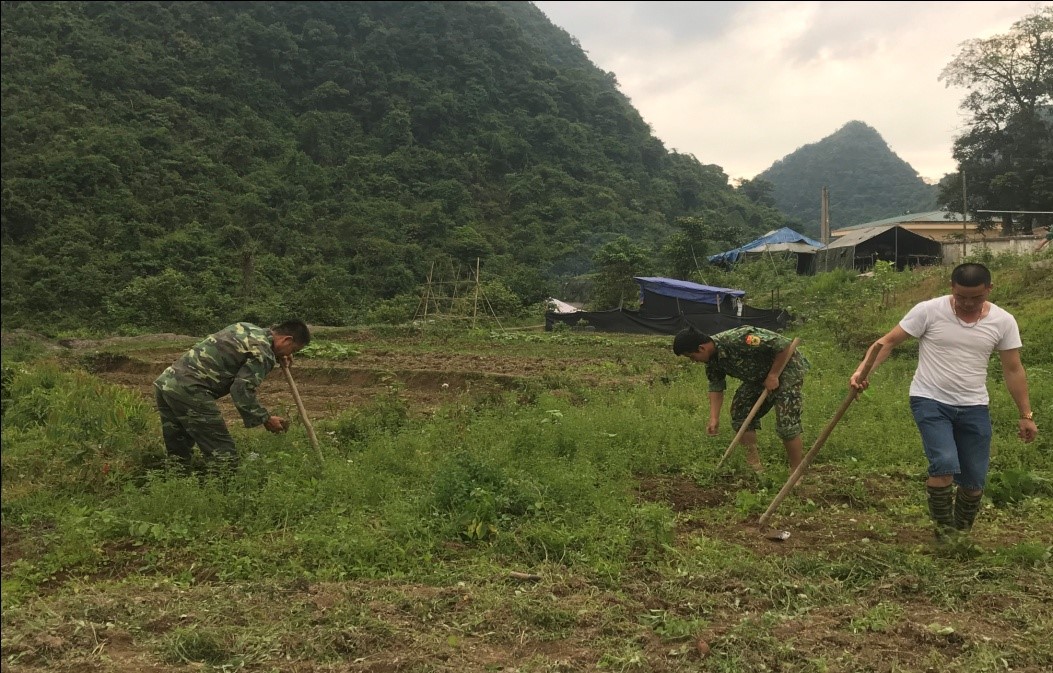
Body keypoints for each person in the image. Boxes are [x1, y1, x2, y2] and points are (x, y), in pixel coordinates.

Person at [849, 263, 1037, 542]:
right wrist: (862, 372)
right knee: (945, 465)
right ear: (952, 288)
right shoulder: (929, 310)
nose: (968, 303)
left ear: (989, 290)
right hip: (930, 400)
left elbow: (1013, 369)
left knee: (973, 482)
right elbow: (886, 342)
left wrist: (1026, 414)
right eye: (962, 297)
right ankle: (944, 535)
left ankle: (959, 536)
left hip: (974, 405)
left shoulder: (1003, 321)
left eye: (976, 297)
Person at [153, 320, 312, 472]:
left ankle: (179, 487)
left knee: (178, 451)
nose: (291, 354)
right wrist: (265, 419)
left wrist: (279, 354)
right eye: (294, 350)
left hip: (167, 383)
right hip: (191, 391)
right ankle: (223, 495)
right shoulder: (263, 353)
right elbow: (241, 389)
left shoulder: (244, 327)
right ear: (287, 340)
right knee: (223, 455)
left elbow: (242, 352)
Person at [673, 326, 810, 472]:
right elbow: (716, 386)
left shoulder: (739, 338)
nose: (694, 361)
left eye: (692, 357)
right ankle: (755, 467)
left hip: (785, 369)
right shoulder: (712, 361)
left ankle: (796, 472)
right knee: (740, 412)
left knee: (786, 423)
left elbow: (783, 346)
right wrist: (714, 418)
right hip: (759, 377)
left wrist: (773, 375)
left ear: (701, 348)